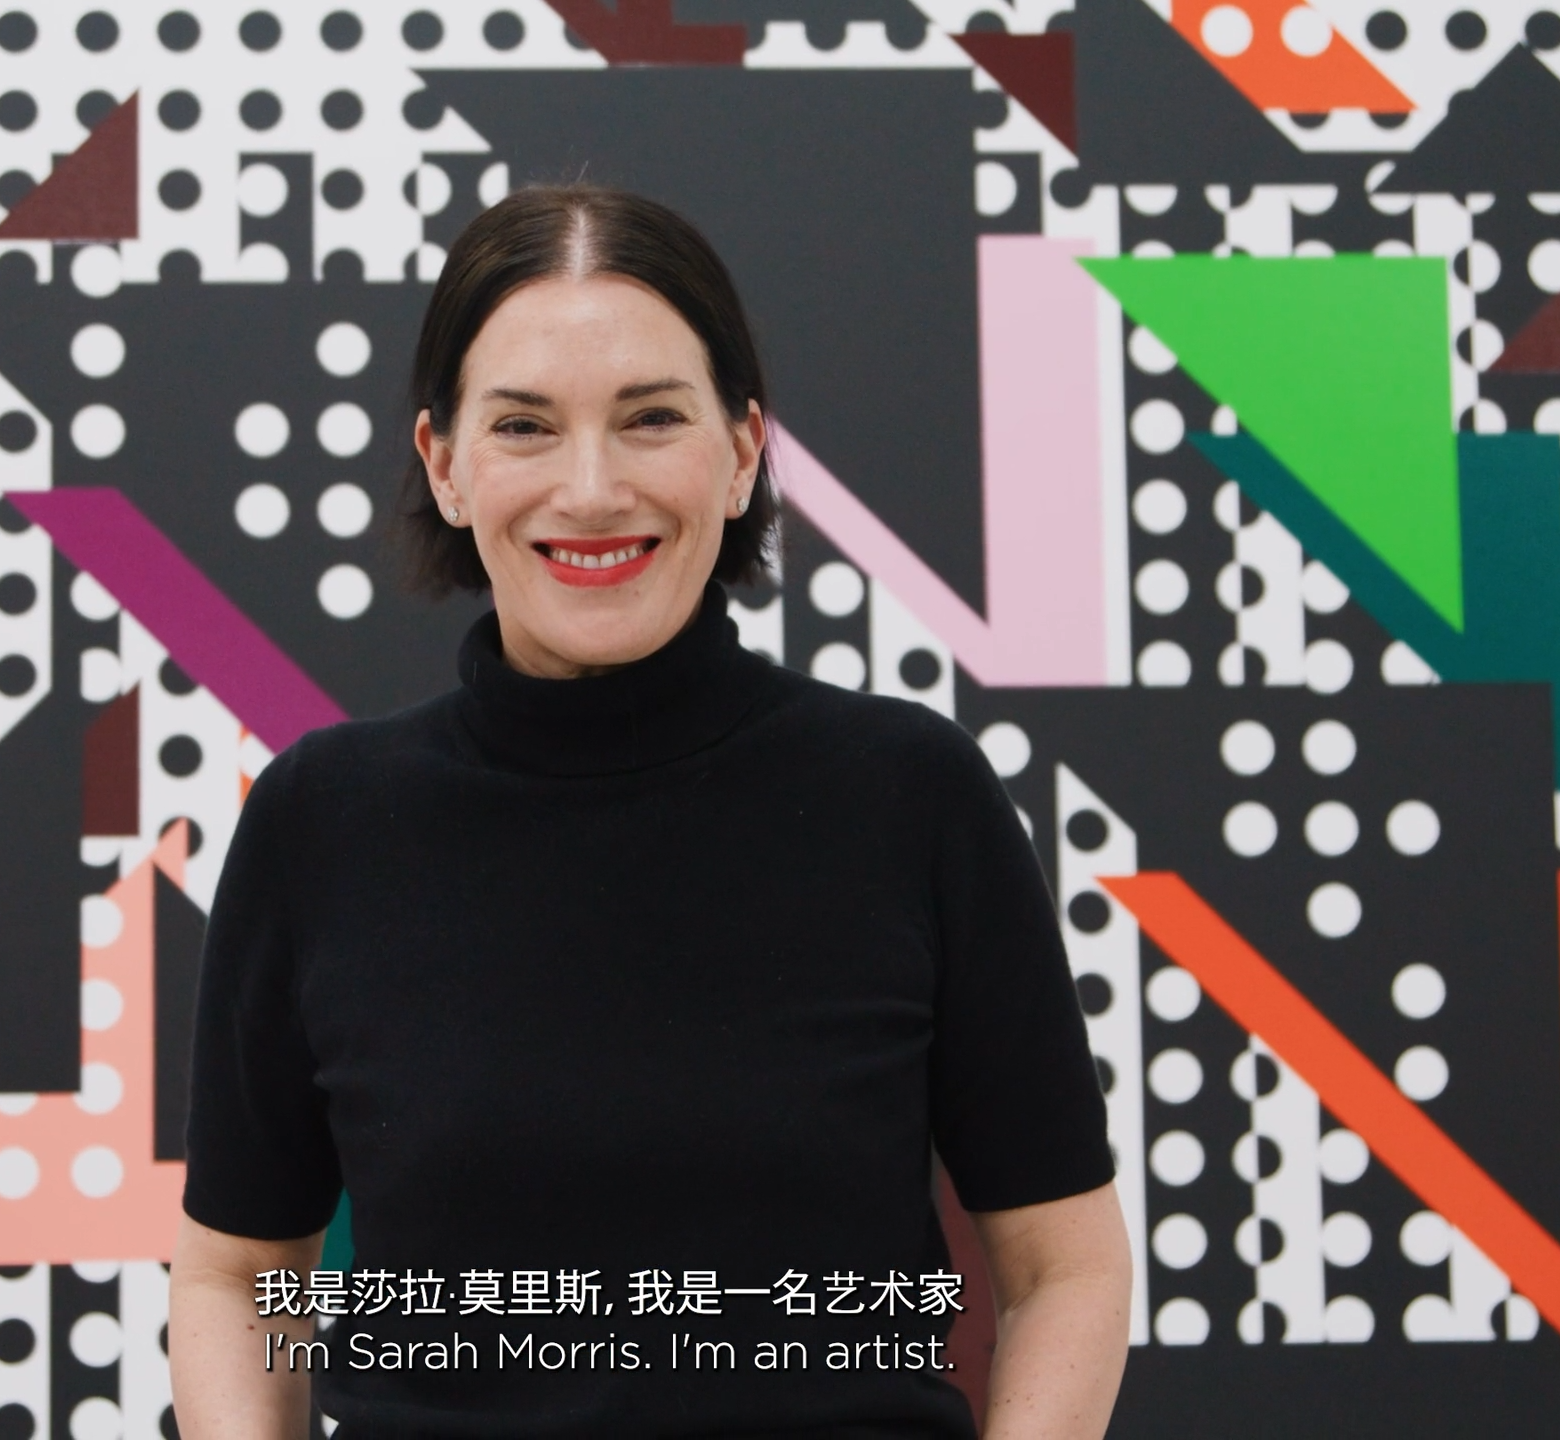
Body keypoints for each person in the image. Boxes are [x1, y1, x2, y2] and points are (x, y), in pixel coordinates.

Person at [168, 183, 1129, 1439]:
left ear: (741, 452)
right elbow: (237, 1275)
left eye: (651, 418)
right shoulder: (323, 821)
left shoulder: (910, 793)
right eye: (524, 426)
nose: (590, 490)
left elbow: (1066, 1267)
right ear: (445, 466)